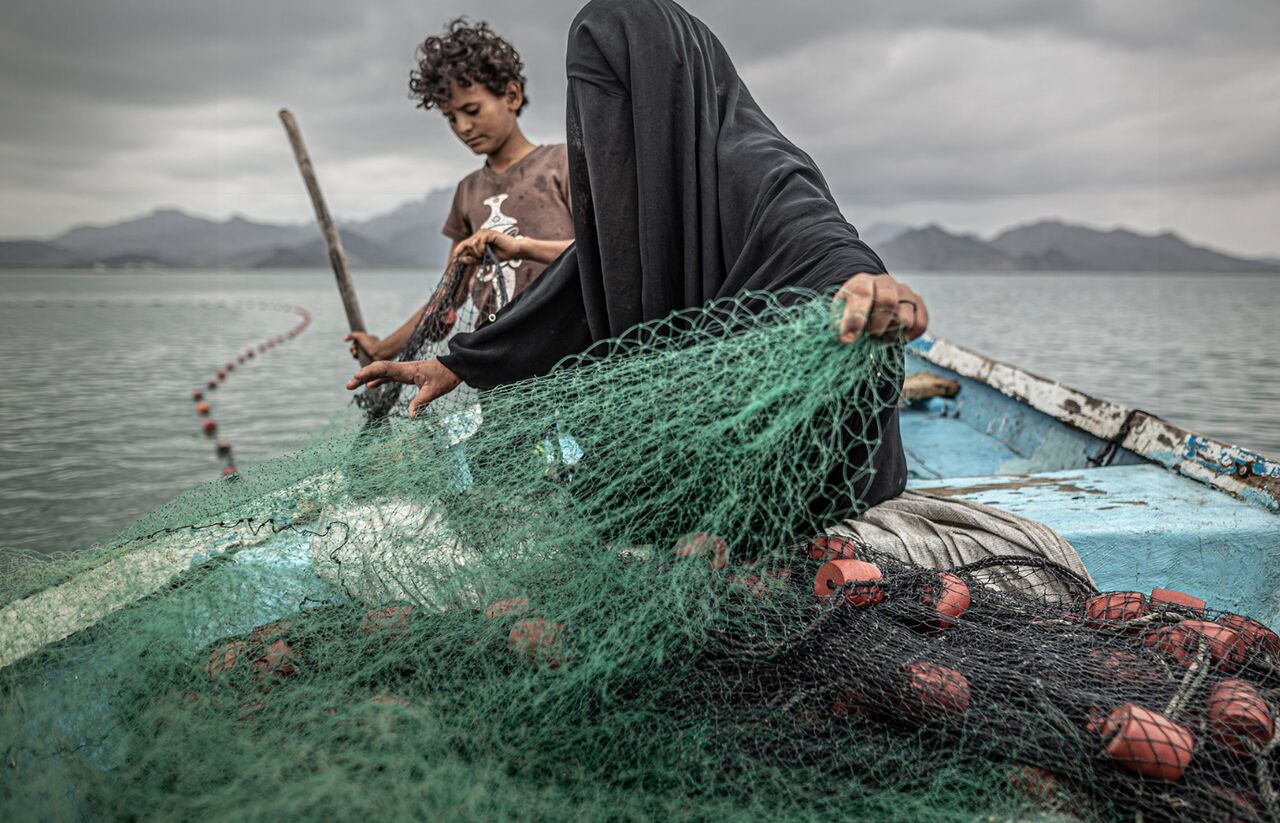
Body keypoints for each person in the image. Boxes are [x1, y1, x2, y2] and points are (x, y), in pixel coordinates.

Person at [347, 0, 929, 514]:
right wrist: (459, 363)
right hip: (693, 451)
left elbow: (815, 237)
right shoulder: (629, 195)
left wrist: (866, 283)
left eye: (617, 102)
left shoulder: (754, 164)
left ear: (662, 91)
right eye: (591, 109)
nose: (604, 130)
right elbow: (579, 283)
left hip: (794, 466)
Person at [345, 18, 575, 363]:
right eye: (451, 118)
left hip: (570, 355)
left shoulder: (563, 164)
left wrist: (522, 247)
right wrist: (383, 349)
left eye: (471, 110)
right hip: (497, 363)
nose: (464, 127)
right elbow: (449, 298)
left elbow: (601, 255)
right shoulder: (468, 192)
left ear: (512, 96)